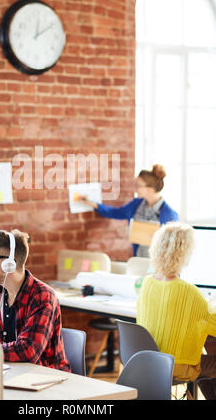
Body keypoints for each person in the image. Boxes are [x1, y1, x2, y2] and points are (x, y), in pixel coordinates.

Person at [136, 221, 216, 399]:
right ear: (184, 254)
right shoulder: (189, 292)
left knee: (203, 357)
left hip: (149, 362)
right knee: (207, 361)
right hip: (177, 366)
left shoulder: (147, 283)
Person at [0, 228, 71, 372]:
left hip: (45, 380)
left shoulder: (42, 296)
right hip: (9, 372)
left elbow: (28, 350)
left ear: (8, 264)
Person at [77, 164, 178, 257]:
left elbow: (173, 247)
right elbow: (116, 212)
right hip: (138, 259)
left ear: (149, 188)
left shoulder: (169, 215)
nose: (135, 189)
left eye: (138, 185)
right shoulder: (136, 205)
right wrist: (93, 204)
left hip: (159, 264)